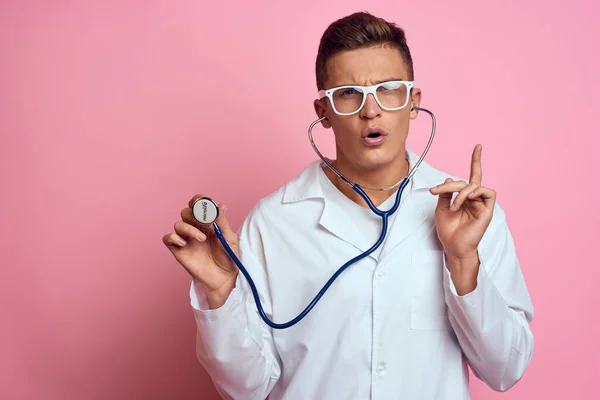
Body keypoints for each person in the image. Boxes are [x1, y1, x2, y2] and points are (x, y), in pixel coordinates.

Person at [162, 11, 534, 400]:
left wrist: (463, 262)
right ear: (323, 113)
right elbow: (246, 389)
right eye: (349, 94)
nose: (370, 111)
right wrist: (222, 292)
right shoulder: (273, 223)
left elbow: (505, 370)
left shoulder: (470, 216)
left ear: (413, 102)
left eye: (388, 89)